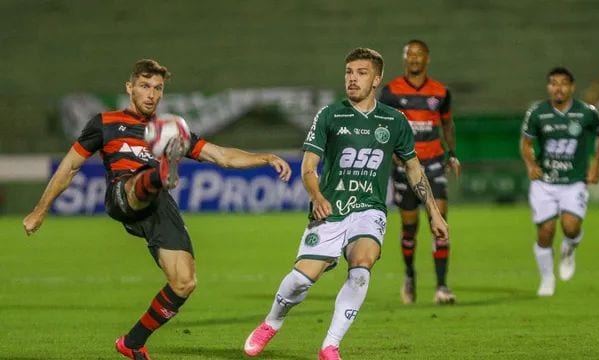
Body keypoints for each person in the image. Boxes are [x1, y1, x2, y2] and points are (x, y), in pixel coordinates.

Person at [22, 59, 292, 360]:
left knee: (184, 282)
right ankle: (159, 173)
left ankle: (133, 342)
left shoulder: (168, 129)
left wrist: (265, 157)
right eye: (145, 86)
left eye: (157, 88)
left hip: (159, 206)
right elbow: (70, 167)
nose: (151, 94)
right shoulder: (105, 123)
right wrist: (40, 210)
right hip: (123, 193)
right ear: (130, 87)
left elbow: (223, 156)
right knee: (140, 183)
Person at [243, 48, 448, 360]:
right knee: (300, 280)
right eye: (349, 72)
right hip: (332, 208)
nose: (352, 78)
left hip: (369, 209)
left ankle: (330, 346)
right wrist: (318, 197)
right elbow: (308, 167)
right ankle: (272, 322)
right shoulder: (329, 115)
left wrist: (434, 212)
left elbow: (414, 168)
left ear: (377, 78)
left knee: (362, 267)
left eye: (361, 72)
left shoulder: (394, 121)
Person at [378, 39, 460, 305]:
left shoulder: (440, 92)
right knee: (409, 228)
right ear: (404, 59)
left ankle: (442, 287)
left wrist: (452, 154)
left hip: (434, 163)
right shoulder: (390, 92)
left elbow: (447, 125)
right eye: (409, 55)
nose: (414, 59)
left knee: (440, 222)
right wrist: (392, 156)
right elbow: (384, 130)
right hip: (404, 167)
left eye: (419, 54)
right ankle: (410, 275)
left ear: (427, 58)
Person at [520, 67, 599, 297]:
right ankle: (547, 279)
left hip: (574, 180)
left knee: (571, 227)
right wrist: (531, 165)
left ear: (572, 87)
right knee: (546, 232)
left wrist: (596, 164)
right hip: (545, 182)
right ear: (548, 87)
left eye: (563, 83)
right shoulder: (538, 113)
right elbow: (526, 143)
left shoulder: (586, 112)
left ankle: (569, 248)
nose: (558, 88)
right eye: (553, 83)